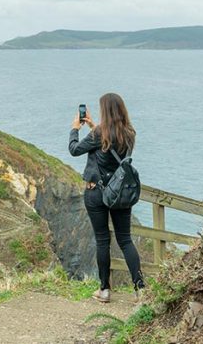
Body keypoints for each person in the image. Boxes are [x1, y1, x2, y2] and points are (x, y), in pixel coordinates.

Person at [69, 93, 145, 303]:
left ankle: (104, 290)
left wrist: (75, 128)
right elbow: (111, 145)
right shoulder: (129, 133)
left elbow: (74, 150)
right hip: (120, 192)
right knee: (125, 240)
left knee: (102, 240)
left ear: (105, 110)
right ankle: (140, 289)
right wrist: (93, 126)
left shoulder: (98, 134)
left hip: (96, 193)